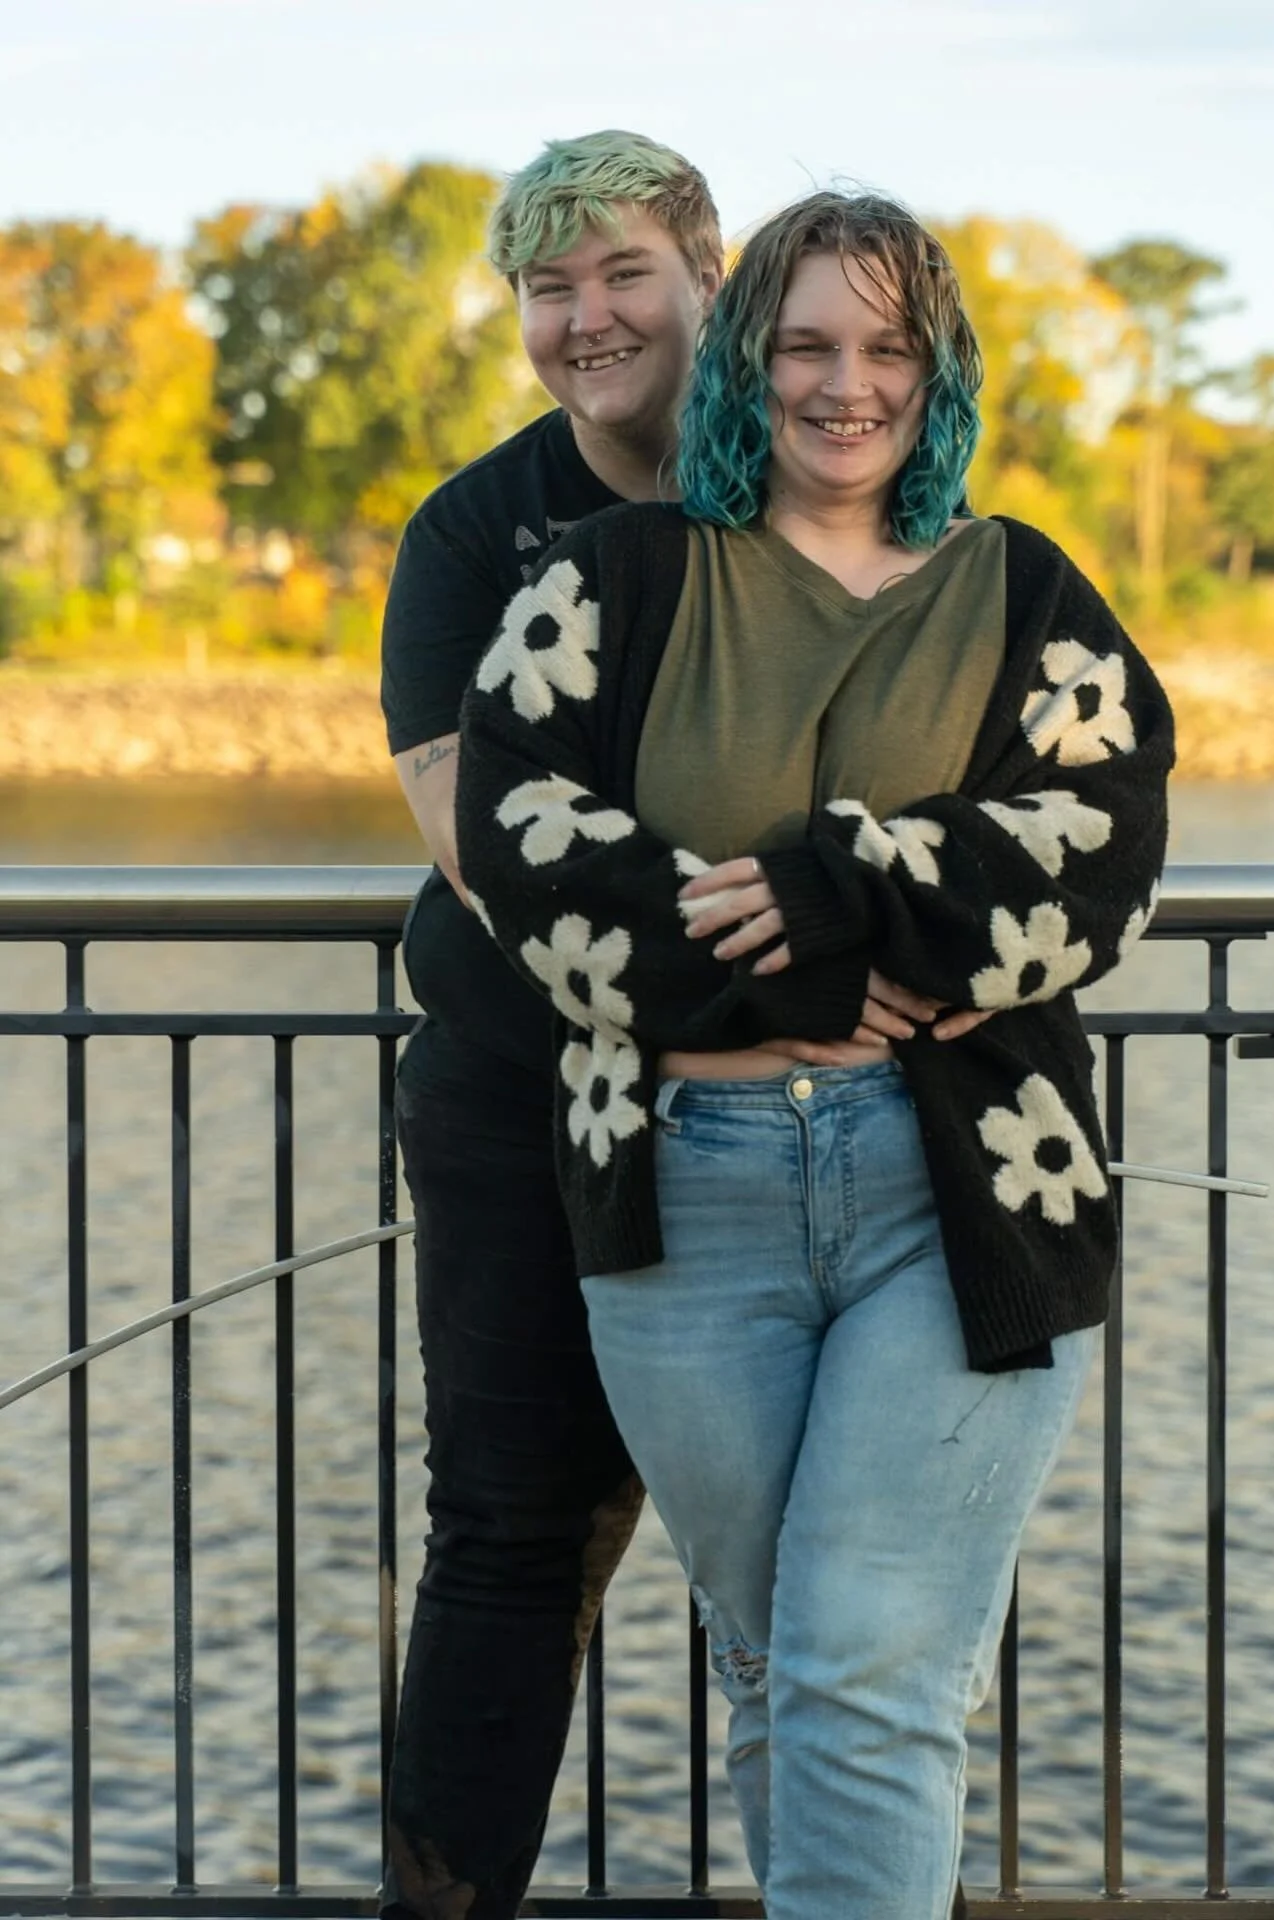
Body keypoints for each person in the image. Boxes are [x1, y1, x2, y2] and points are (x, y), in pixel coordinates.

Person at [453, 190, 1175, 1920]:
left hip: (959, 1192)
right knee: (786, 1659)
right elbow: (524, 837)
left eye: (888, 350)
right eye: (806, 346)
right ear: (749, 364)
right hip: (684, 1212)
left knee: (866, 1667)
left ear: (938, 376)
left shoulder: (1025, 592)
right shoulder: (613, 579)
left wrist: (839, 882)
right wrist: (767, 987)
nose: (847, 385)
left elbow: (1099, 852)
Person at [377, 131, 723, 1920]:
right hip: (518, 1104)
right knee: (513, 1540)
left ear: (706, 277)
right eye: (547, 288)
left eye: (623, 275)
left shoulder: (825, 494)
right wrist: (781, 911)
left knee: (821, 1576)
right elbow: (476, 841)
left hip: (788, 1117)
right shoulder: (467, 532)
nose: (586, 321)